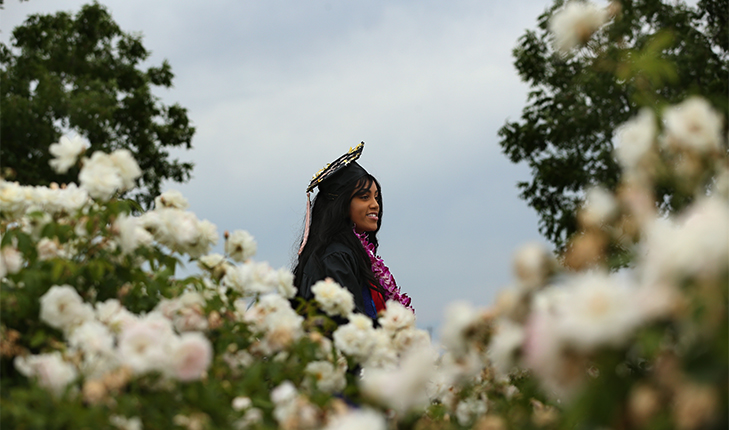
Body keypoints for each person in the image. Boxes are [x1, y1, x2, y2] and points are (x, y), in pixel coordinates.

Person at [293, 142, 412, 320]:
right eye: (364, 197)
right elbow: (351, 325)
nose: (375, 205)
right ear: (341, 205)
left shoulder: (353, 253)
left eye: (376, 197)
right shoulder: (334, 257)